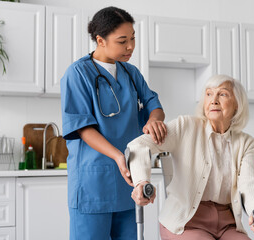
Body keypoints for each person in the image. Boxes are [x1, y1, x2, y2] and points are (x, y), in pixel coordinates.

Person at [60, 6, 167, 240]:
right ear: (100, 40)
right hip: (93, 183)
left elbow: (154, 104)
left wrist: (153, 121)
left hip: (128, 182)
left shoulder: (131, 73)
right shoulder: (77, 73)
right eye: (122, 41)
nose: (130, 47)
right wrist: (118, 156)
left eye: (133, 39)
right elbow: (83, 128)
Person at [128, 74, 254, 240]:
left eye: (223, 94)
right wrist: (141, 182)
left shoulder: (245, 142)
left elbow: (249, 185)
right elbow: (138, 146)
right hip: (185, 220)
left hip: (227, 223)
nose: (214, 100)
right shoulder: (186, 127)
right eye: (209, 94)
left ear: (237, 105)